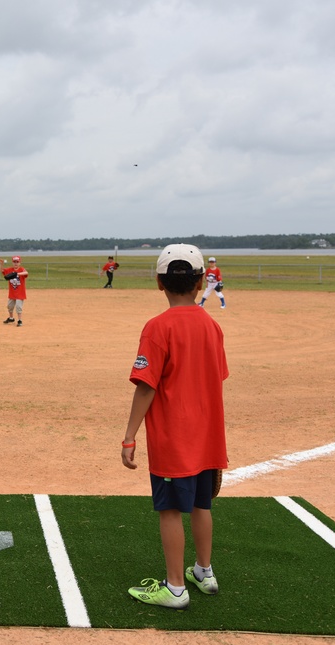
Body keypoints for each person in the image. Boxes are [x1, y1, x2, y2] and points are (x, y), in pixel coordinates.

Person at [120, 243, 229, 609]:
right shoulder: (211, 326)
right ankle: (204, 570)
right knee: (202, 505)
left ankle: (175, 588)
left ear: (159, 283)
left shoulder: (157, 327)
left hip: (175, 438)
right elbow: (218, 376)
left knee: (169, 510)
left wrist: (130, 435)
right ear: (200, 282)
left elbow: (147, 385)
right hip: (208, 435)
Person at [0, 256, 28, 326]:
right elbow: (2, 271)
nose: (16, 263)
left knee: (18, 307)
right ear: (12, 262)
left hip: (20, 293)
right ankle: (11, 318)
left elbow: (26, 273)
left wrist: (17, 274)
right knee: (10, 306)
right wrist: (1, 264)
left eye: (17, 262)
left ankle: (19, 320)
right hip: (12, 293)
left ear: (19, 262)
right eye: (14, 262)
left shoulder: (21, 269)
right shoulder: (10, 269)